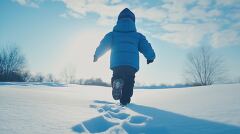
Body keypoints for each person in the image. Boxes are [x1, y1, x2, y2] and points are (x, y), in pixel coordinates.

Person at [93, 8, 155, 106]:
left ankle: (117, 83)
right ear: (133, 22)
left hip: (117, 62)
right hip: (131, 64)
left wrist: (97, 55)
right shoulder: (137, 36)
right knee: (129, 82)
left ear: (119, 20)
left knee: (117, 75)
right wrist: (150, 57)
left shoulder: (112, 35)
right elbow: (146, 46)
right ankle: (125, 101)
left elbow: (103, 45)